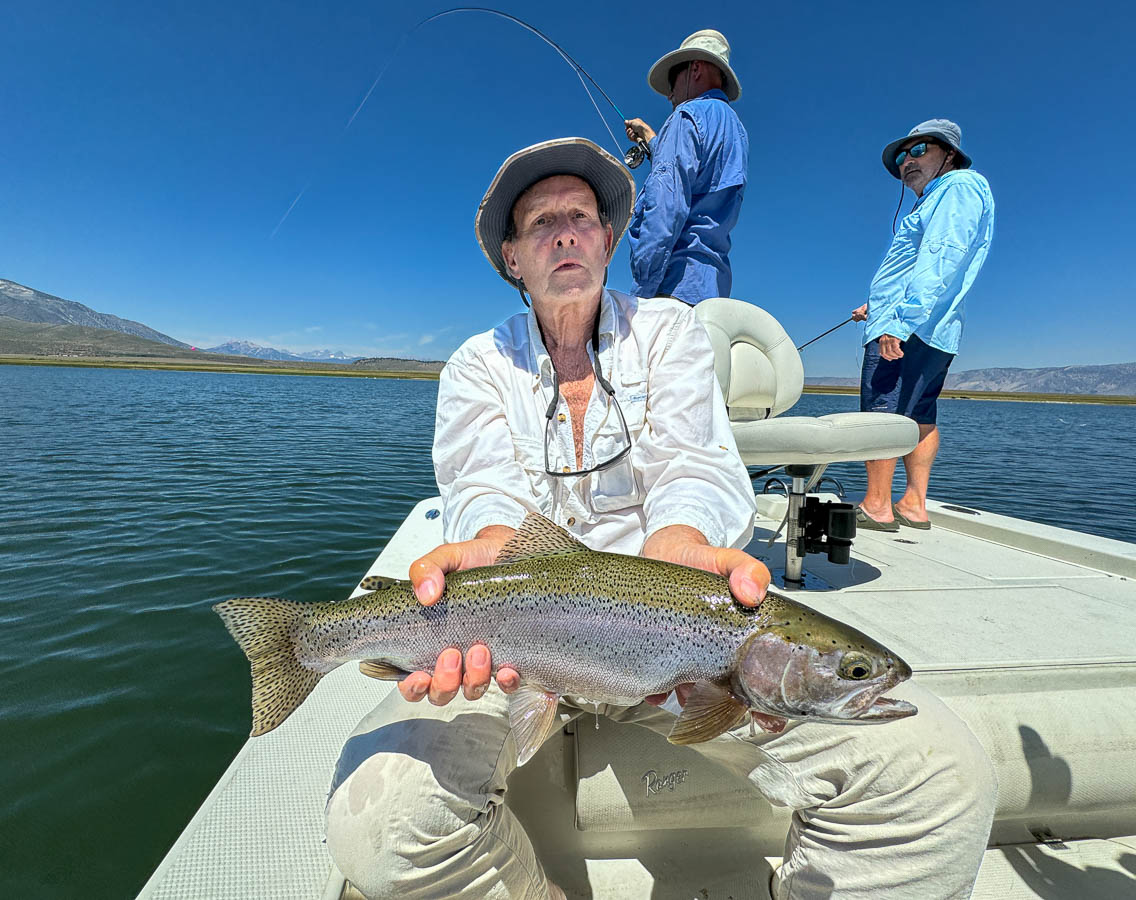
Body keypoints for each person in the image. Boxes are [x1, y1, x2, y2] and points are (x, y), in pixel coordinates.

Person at [326, 137, 997, 900]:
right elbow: (481, 486)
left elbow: (696, 462)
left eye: (581, 215)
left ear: (609, 239)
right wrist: (489, 542)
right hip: (506, 637)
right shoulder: (475, 364)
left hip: (683, 649)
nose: (566, 232)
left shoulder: (671, 332)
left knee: (940, 780)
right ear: (512, 257)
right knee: (375, 828)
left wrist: (677, 541)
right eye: (541, 221)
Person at [851, 119, 995, 531]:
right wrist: (876, 305)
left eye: (919, 151)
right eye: (901, 156)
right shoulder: (947, 195)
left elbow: (942, 255)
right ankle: (913, 503)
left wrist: (898, 320)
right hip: (934, 329)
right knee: (920, 415)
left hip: (909, 328)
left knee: (882, 411)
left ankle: (877, 505)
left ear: (948, 154)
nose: (906, 162)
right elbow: (925, 265)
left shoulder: (956, 188)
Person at [623, 29, 748, 305]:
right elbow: (701, 182)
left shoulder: (685, 117)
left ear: (695, 69)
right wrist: (651, 138)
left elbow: (667, 207)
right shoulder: (735, 129)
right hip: (712, 295)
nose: (670, 94)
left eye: (673, 79)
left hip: (671, 290)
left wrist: (642, 296)